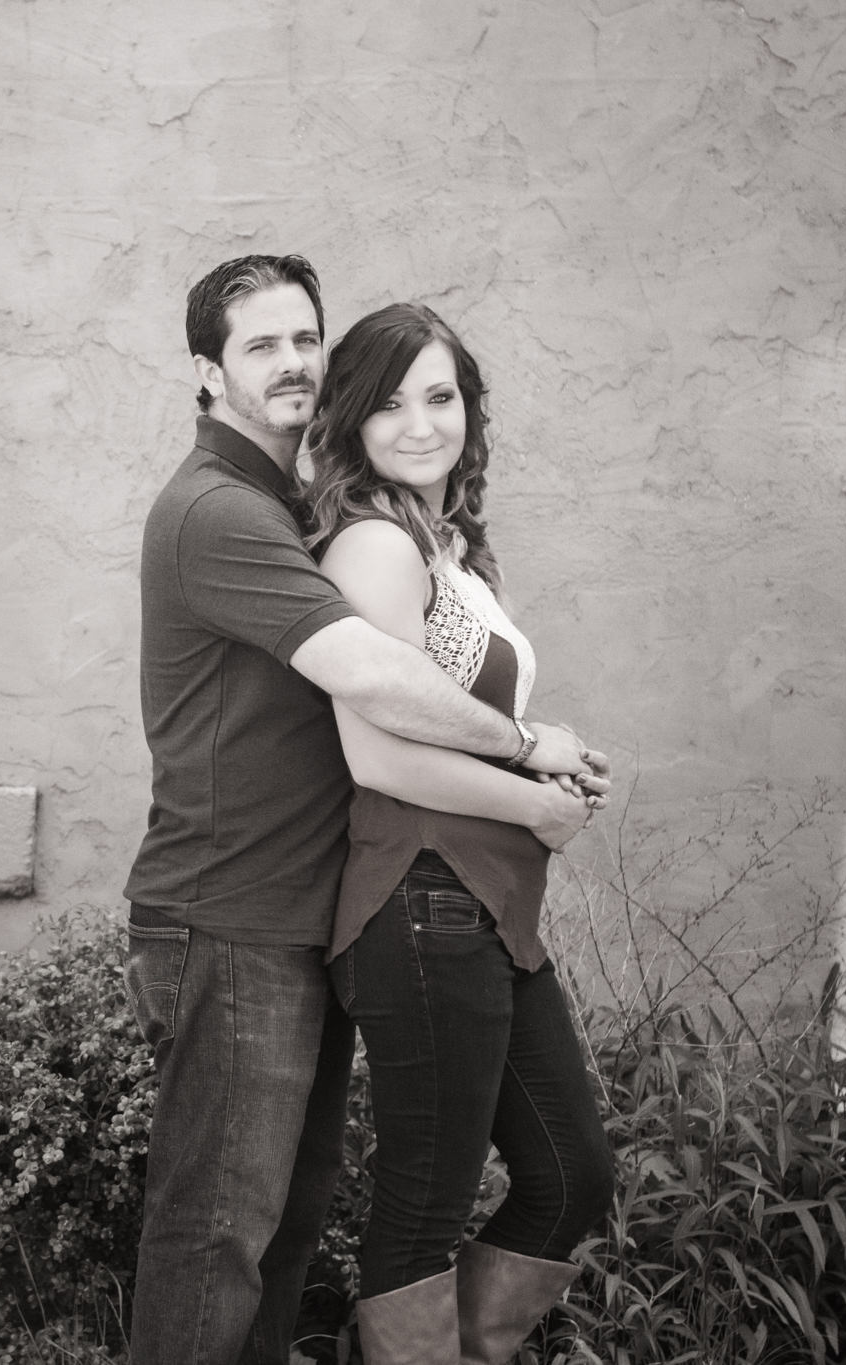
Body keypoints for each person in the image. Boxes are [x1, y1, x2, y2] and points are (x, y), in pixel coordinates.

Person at [125, 257, 609, 1365]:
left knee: (279, 1236)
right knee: (215, 1237)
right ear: (206, 372)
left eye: (305, 338)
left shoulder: (298, 507)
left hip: (303, 910)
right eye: (259, 345)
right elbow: (376, 684)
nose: (292, 361)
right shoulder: (218, 512)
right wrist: (527, 752)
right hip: (228, 914)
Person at [301, 302, 619, 1365]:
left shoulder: (449, 550)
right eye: (388, 403)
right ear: (351, 420)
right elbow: (377, 756)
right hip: (420, 899)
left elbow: (460, 724)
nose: (419, 424)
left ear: (469, 411)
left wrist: (545, 761)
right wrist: (534, 798)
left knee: (570, 1174)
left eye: (440, 397)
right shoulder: (375, 545)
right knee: (424, 1207)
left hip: (484, 906)